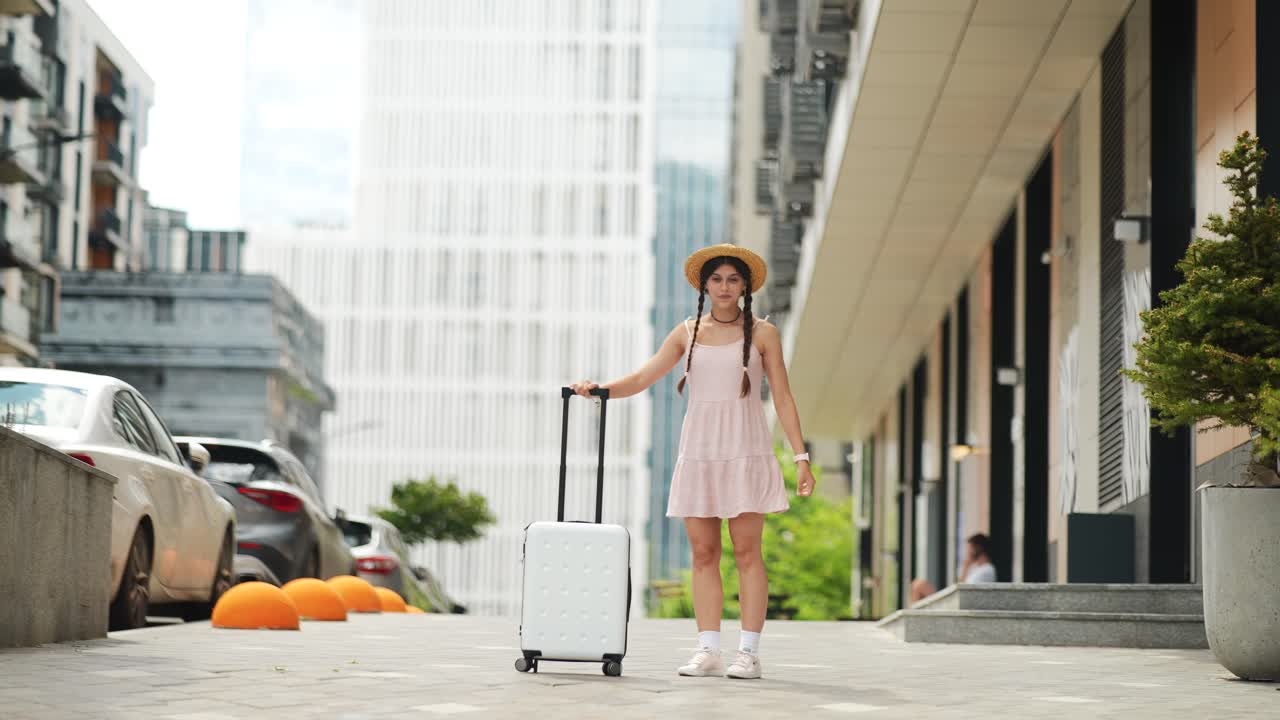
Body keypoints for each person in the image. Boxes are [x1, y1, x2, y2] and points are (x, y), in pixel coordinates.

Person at [569, 243, 814, 680]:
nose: (724, 287)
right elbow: (643, 377)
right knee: (703, 553)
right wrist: (599, 389)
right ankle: (709, 649)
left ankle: (749, 653)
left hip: (746, 452)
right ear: (704, 285)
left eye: (733, 279)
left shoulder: (763, 334)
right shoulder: (687, 332)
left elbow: (783, 396)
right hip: (700, 453)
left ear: (745, 286)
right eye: (716, 279)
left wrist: (801, 457)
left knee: (748, 552)